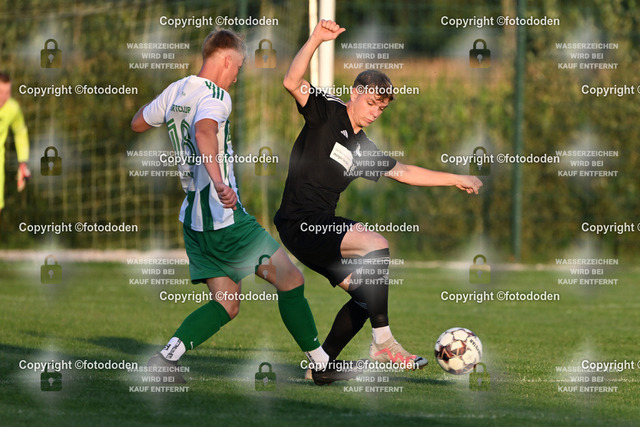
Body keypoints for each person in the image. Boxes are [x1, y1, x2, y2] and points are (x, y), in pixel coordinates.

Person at [131, 28, 359, 385]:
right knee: (291, 279)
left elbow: (138, 122)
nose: (237, 76)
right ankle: (321, 364)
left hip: (193, 220)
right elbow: (204, 132)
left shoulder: (177, 89)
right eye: (238, 66)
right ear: (226, 60)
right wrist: (219, 181)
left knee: (227, 303)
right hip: (224, 219)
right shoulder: (216, 96)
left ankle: (165, 359)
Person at [275, 20, 483, 371]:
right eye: (371, 103)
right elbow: (291, 82)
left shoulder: (362, 147)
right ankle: (383, 342)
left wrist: (454, 178)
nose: (374, 112)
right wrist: (315, 39)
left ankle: (320, 367)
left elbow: (403, 172)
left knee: (365, 298)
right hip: (301, 222)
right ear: (355, 93)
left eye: (381, 108)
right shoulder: (327, 111)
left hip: (318, 228)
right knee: (376, 244)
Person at [0, 72, 31, 216]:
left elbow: (20, 132)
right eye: (0, 92)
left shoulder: (12, 108)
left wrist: (23, 163)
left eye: (7, 92)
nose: (3, 97)